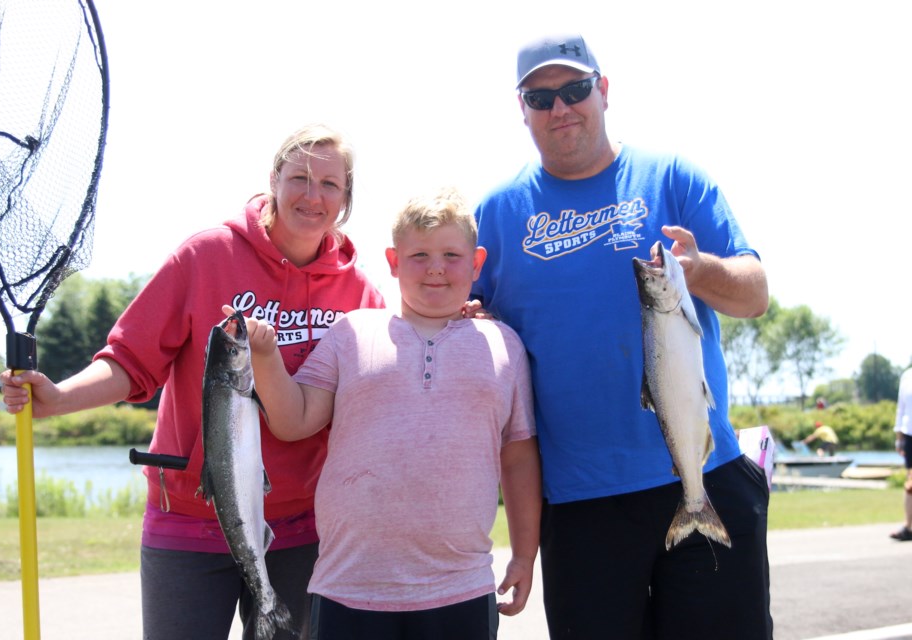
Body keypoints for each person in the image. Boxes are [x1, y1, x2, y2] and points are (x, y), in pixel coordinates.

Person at [0, 123, 386, 640]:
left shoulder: (358, 289)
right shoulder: (205, 256)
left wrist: (458, 321)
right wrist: (59, 399)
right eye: (300, 177)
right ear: (273, 179)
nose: (312, 196)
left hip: (304, 529)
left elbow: (390, 374)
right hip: (187, 517)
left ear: (346, 197)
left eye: (330, 184)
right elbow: (130, 361)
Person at [470, 33, 773, 639]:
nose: (560, 108)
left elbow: (755, 293)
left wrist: (701, 270)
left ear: (603, 91)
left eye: (576, 89)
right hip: (580, 504)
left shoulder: (672, 176)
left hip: (702, 472)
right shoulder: (498, 213)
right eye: (541, 97)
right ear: (522, 109)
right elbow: (468, 319)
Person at [235, 187, 542, 639]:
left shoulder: (504, 345)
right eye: (419, 254)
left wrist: (523, 554)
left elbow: (518, 459)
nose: (436, 267)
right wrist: (264, 354)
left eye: (451, 255)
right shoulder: (352, 332)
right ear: (393, 261)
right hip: (348, 587)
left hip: (462, 589)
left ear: (476, 263)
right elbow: (294, 419)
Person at [891, 367, 912, 541]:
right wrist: (899, 438)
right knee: (911, 483)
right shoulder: (907, 376)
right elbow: (901, 409)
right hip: (910, 434)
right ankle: (908, 526)